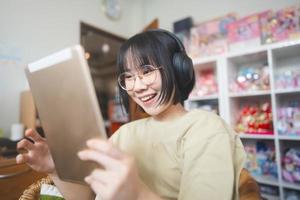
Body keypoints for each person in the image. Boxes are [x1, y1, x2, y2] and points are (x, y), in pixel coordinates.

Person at [16, 29, 246, 200]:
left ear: (178, 69)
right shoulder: (124, 133)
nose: (137, 86)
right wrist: (54, 169)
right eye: (128, 76)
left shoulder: (207, 128)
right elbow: (86, 198)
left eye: (146, 71)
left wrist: (136, 193)